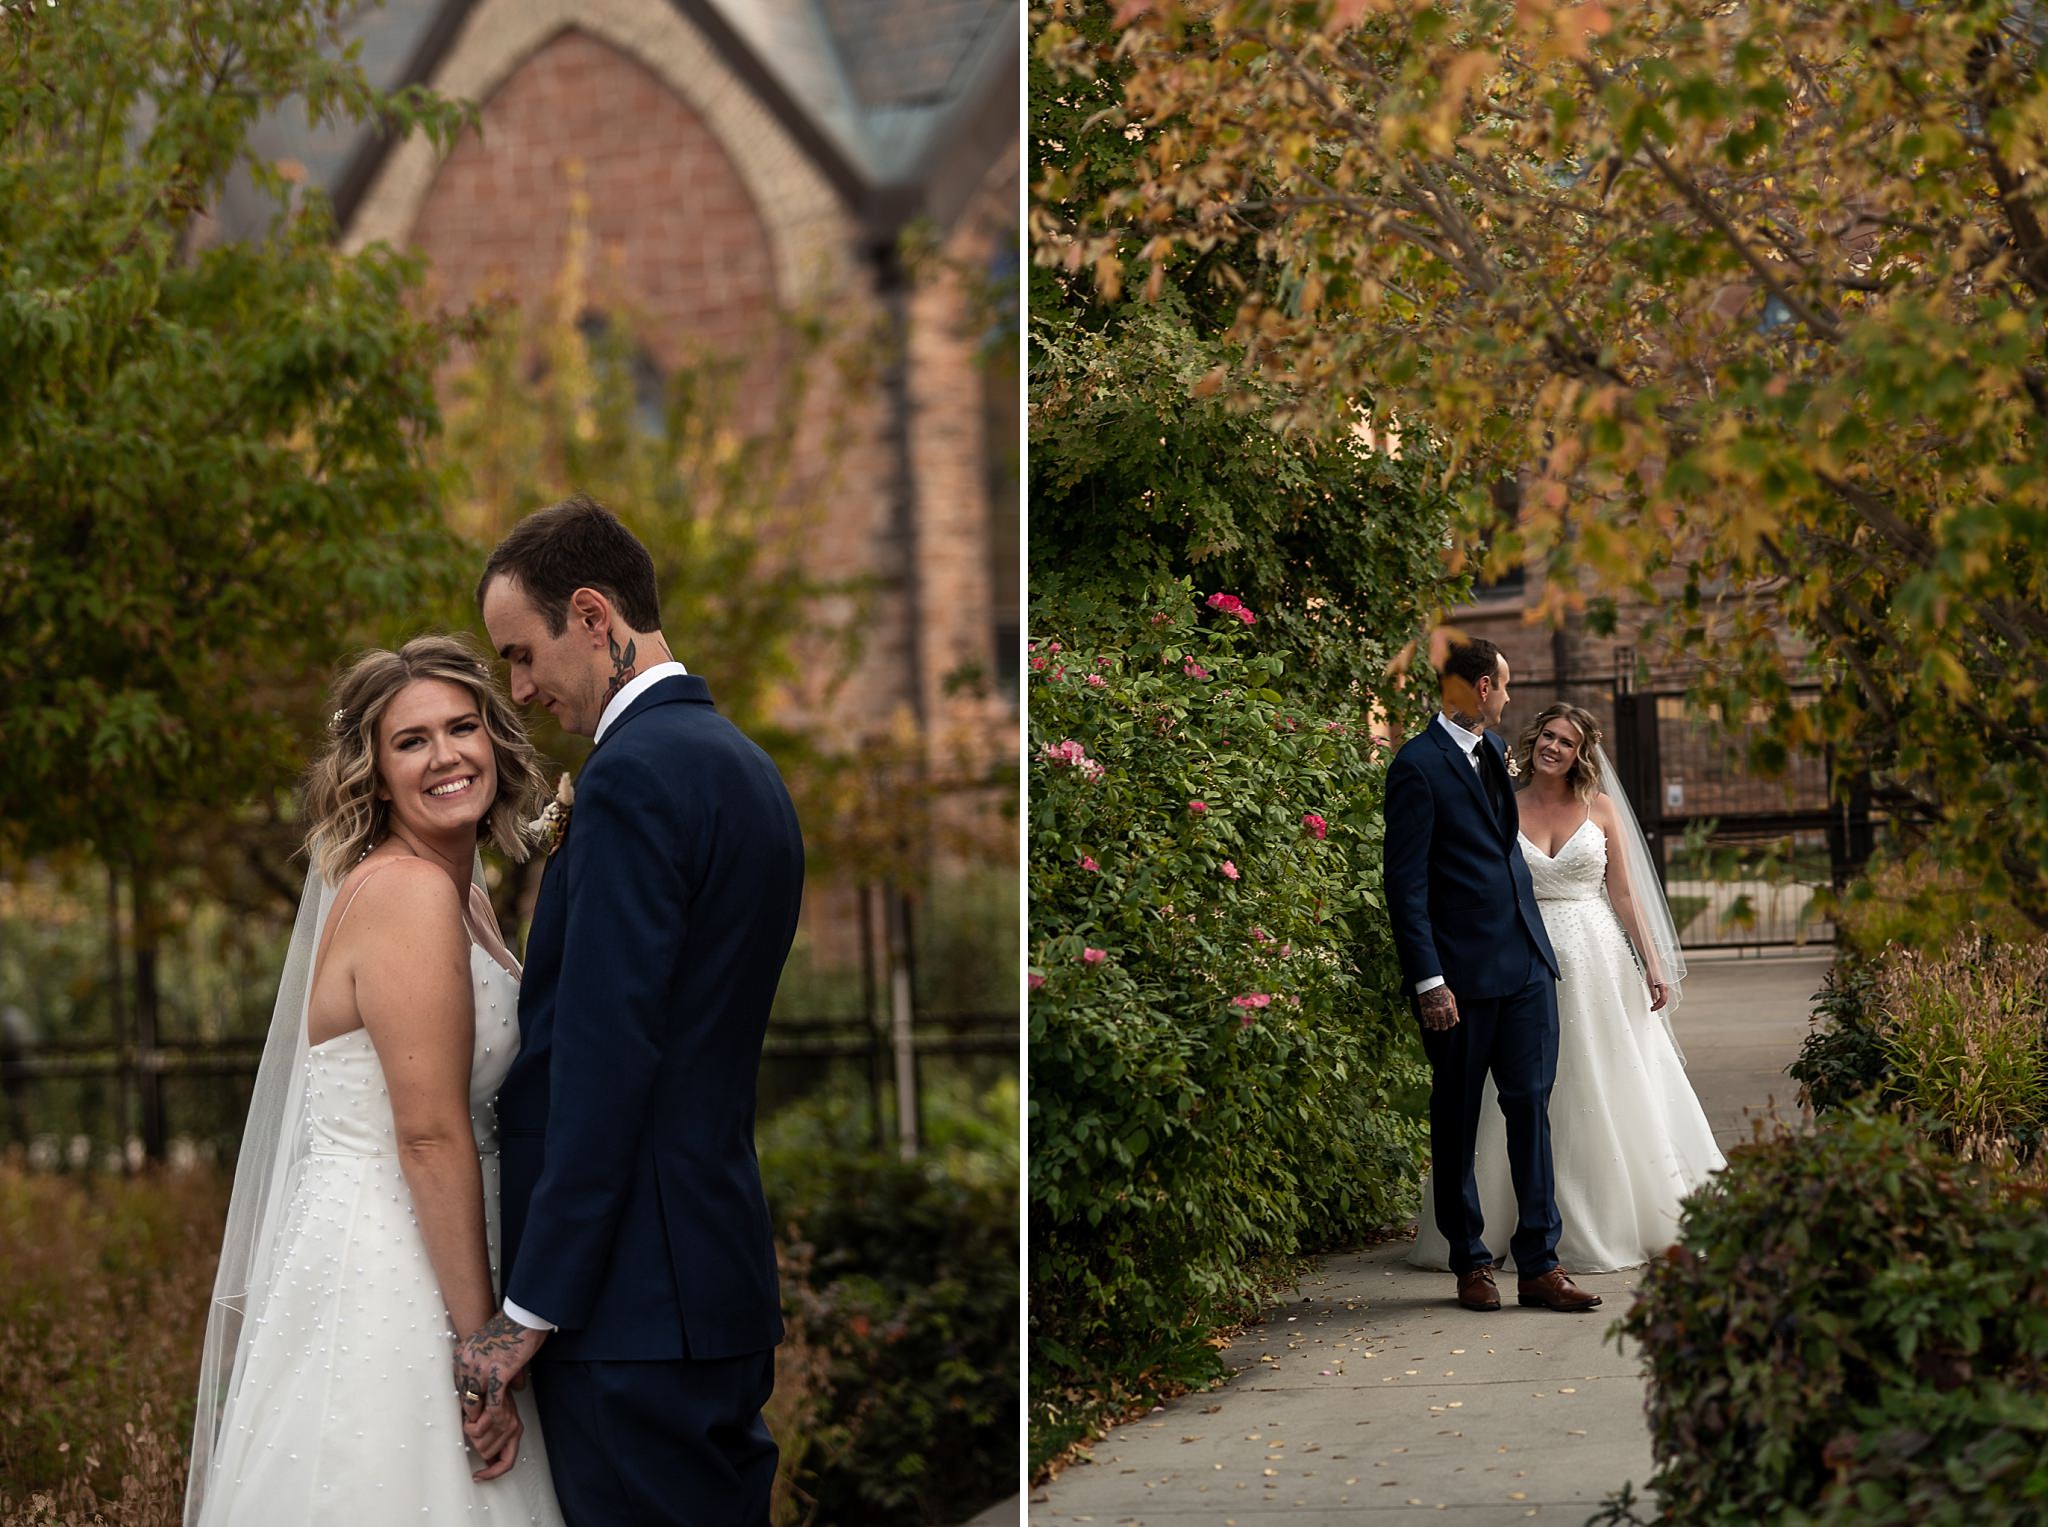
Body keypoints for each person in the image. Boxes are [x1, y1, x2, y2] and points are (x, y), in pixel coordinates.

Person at [460, 494, 804, 1526]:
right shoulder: (742, 769)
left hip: (627, 1308)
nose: (518, 691)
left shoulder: (631, 780)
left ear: (593, 616)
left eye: (522, 655)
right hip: (711, 1279)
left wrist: (529, 1307)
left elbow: (606, 1062)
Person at [185, 634, 564, 1525]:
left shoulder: (456, 889)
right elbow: (429, 1132)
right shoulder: (408, 892)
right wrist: (482, 1352)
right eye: (411, 741)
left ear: (495, 739)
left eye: (462, 727)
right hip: (396, 1280)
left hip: (421, 1251)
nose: (446, 756)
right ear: (375, 770)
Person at [1411, 703, 1724, 1274]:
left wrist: (1651, 962)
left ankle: (1615, 1215)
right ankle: (1499, 1226)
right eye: (1548, 736)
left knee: (1605, 1077)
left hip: (1597, 959)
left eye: (1568, 742)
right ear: (1534, 740)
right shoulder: (1499, 798)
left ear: (1582, 754)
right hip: (1520, 954)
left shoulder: (1599, 809)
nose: (1554, 747)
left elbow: (1623, 894)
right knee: (1522, 1092)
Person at [1383, 637, 1601, 1314]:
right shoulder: (1417, 766)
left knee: (1530, 1111)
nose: (1509, 697)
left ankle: (1539, 1263)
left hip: (1527, 966)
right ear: (1481, 687)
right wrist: (1429, 981)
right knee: (1455, 1119)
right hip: (1460, 983)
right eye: (1503, 686)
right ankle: (1471, 1261)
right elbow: (1406, 884)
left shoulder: (1492, 752)